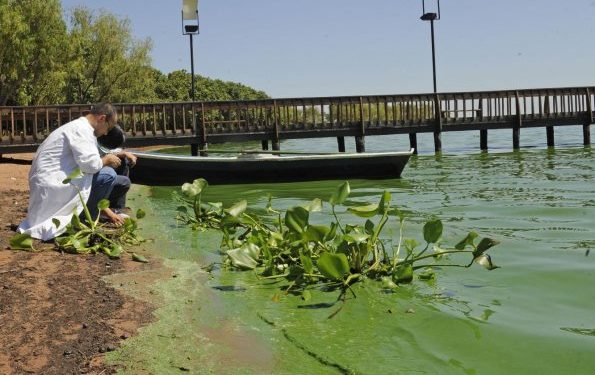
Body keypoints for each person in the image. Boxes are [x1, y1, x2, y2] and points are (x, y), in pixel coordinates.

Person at [18, 103, 123, 241]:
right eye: (108, 128)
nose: (106, 133)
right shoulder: (82, 130)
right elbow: (90, 165)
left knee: (116, 179)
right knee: (109, 175)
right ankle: (86, 218)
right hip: (53, 184)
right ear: (102, 118)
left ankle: (90, 213)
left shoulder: (77, 126)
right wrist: (106, 159)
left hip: (49, 183)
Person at [90, 124, 137, 222]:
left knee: (123, 161)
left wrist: (123, 154)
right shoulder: (91, 139)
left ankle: (117, 208)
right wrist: (105, 160)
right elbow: (89, 166)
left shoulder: (99, 132)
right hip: (86, 182)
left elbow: (109, 151)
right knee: (116, 177)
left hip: (95, 173)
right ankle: (100, 209)